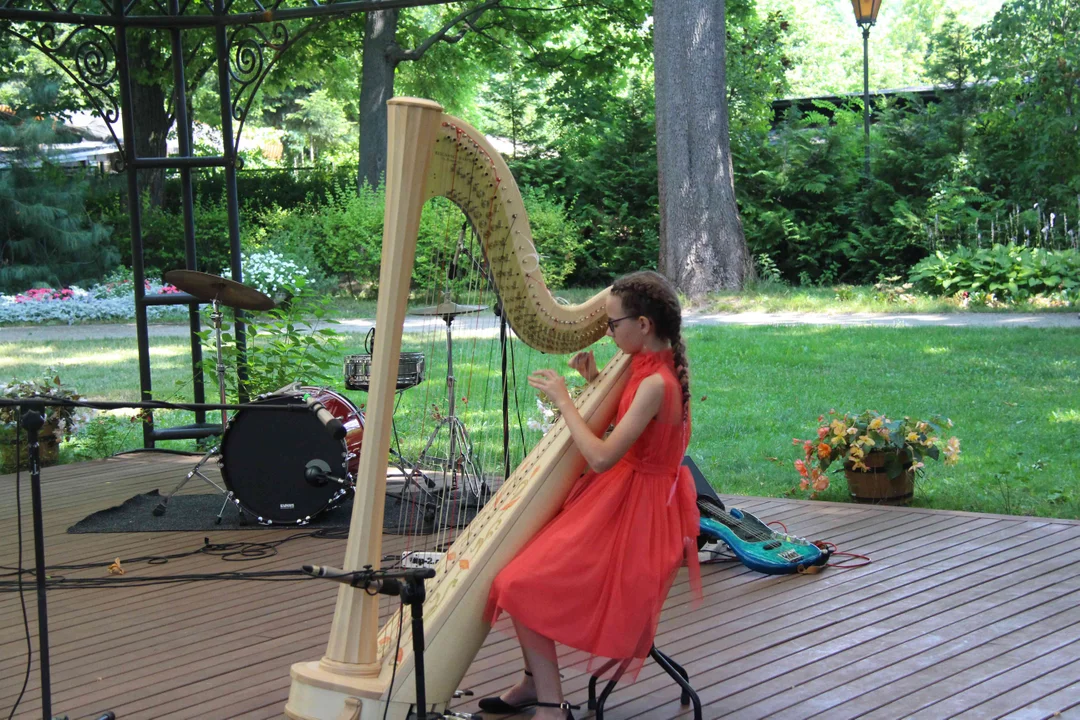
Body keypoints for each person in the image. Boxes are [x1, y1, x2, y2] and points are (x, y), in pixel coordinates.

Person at [481, 270, 701, 719]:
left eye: (612, 324)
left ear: (643, 325)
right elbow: (634, 431)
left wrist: (565, 400)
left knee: (516, 583)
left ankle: (549, 703)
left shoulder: (657, 383)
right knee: (517, 573)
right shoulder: (646, 369)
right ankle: (532, 682)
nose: (607, 331)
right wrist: (594, 379)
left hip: (632, 520)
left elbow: (601, 457)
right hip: (622, 499)